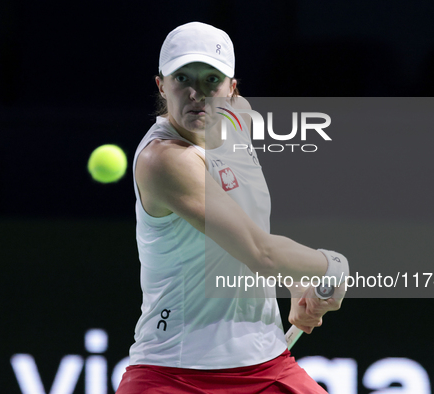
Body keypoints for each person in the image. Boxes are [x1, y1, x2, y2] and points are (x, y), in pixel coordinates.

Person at [116, 22, 349, 394]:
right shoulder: (164, 160)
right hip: (175, 376)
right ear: (161, 85)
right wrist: (332, 266)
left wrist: (296, 282)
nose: (197, 93)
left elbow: (249, 232)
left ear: (232, 89)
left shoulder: (237, 123)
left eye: (212, 80)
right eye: (182, 78)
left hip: (266, 365)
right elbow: (261, 253)